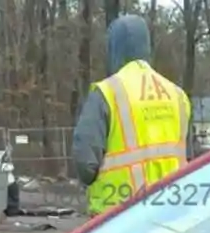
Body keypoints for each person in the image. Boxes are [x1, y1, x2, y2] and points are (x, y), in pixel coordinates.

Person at [71, 14, 192, 216]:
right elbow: (187, 157)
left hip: (118, 217)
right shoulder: (177, 95)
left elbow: (85, 163)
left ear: (114, 48)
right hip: (171, 212)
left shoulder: (106, 94)